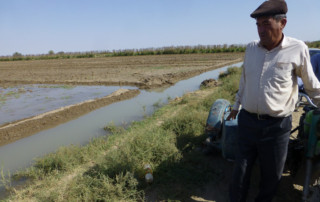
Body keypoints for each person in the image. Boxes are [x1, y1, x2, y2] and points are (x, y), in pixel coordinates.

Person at [227, 0, 320, 201]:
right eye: (258, 25)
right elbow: (244, 80)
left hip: (277, 127)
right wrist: (236, 106)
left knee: (272, 176)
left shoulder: (297, 48)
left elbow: (312, 86)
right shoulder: (251, 48)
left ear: (282, 23)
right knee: (240, 171)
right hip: (248, 122)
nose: (260, 30)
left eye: (266, 24)